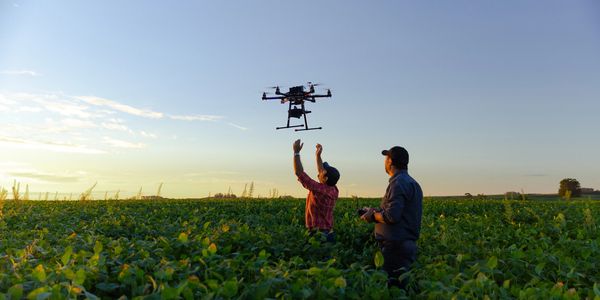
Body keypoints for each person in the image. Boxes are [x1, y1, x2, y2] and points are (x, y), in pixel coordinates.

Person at [360, 146, 423, 289]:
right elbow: (398, 211)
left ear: (390, 161)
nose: (384, 162)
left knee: (393, 289)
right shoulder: (412, 183)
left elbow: (391, 216)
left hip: (395, 247)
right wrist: (375, 210)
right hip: (403, 245)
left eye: (386, 158)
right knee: (400, 288)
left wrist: (373, 216)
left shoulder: (398, 183)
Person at [293, 139, 340, 243]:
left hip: (318, 234)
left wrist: (296, 152)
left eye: (323, 171)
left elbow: (299, 172)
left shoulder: (319, 189)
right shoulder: (334, 189)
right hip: (329, 233)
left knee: (315, 258)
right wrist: (318, 156)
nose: (320, 170)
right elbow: (320, 171)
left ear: (325, 178)